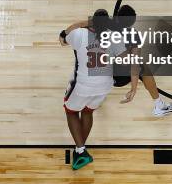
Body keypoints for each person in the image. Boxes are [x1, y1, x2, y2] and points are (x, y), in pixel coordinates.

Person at [59, 9, 139, 170]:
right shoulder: (114, 38)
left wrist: (80, 24)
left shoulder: (79, 34)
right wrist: (134, 88)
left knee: (71, 111)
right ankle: (79, 150)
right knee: (88, 111)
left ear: (92, 22)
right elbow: (131, 63)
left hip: (83, 84)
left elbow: (63, 39)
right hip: (104, 86)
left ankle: (81, 152)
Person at [112, 4, 172, 117]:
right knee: (144, 68)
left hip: (101, 75)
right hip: (118, 78)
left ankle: (87, 92)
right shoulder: (133, 35)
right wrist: (133, 89)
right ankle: (159, 106)